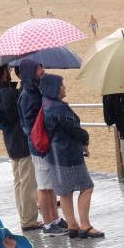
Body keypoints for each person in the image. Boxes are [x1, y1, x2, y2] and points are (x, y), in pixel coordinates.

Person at [39, 73, 101, 239]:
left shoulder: (45, 104)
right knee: (87, 187)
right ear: (54, 87)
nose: (64, 87)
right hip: (68, 155)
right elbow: (72, 129)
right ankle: (85, 225)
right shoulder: (58, 108)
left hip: (54, 156)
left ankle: (73, 226)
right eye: (61, 85)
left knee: (65, 192)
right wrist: (85, 138)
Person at [17, 60, 65, 235]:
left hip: (45, 143)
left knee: (50, 185)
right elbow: (31, 124)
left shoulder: (35, 91)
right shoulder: (28, 95)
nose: (43, 70)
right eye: (38, 68)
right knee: (44, 186)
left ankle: (55, 219)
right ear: (30, 72)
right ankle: (48, 223)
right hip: (39, 145)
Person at [0, 66, 39, 231]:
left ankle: (25, 216)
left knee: (19, 181)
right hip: (21, 141)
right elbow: (18, 114)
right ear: (4, 73)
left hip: (11, 142)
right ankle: (29, 220)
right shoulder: (8, 94)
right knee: (27, 182)